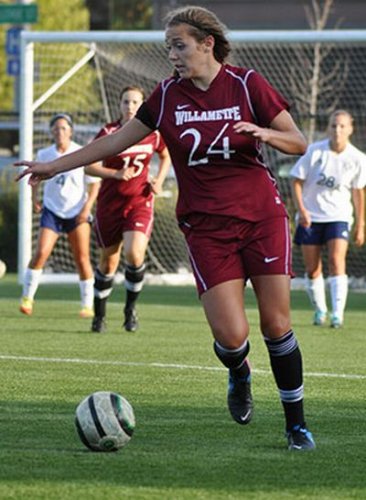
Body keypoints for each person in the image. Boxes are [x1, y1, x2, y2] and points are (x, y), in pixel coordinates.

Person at [15, 6, 315, 450]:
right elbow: (113, 142)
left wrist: (267, 135)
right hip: (206, 227)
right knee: (231, 337)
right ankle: (239, 372)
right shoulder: (167, 96)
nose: (172, 54)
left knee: (276, 324)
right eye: (168, 47)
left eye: (180, 45)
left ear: (206, 43)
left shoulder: (248, 84)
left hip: (261, 218)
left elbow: (299, 141)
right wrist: (54, 166)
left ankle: (296, 426)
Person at [84, 86, 171, 333]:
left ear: (142, 104)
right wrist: (116, 174)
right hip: (110, 205)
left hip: (139, 202)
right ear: (119, 105)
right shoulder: (109, 132)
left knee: (134, 255)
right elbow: (88, 167)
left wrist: (160, 180)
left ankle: (130, 310)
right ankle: (99, 315)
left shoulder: (152, 133)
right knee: (108, 263)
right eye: (125, 102)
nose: (130, 106)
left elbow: (166, 156)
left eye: (135, 102)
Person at [19, 113, 100, 318]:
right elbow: (35, 178)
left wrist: (86, 208)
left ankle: (87, 305)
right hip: (52, 211)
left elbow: (94, 184)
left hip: (76, 212)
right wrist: (34, 199)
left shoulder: (81, 153)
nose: (60, 131)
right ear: (51, 132)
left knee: (82, 258)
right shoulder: (45, 154)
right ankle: (27, 298)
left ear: (71, 131)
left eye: (64, 128)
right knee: (41, 253)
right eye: (56, 128)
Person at [290, 110, 365, 329]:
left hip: (339, 217)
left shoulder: (358, 159)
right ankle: (320, 310)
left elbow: (358, 192)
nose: (337, 130)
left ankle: (337, 314)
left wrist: (360, 224)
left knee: (336, 261)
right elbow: (296, 180)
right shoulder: (314, 151)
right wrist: (302, 210)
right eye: (333, 126)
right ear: (328, 128)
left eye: (342, 126)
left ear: (351, 129)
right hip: (310, 218)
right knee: (313, 269)